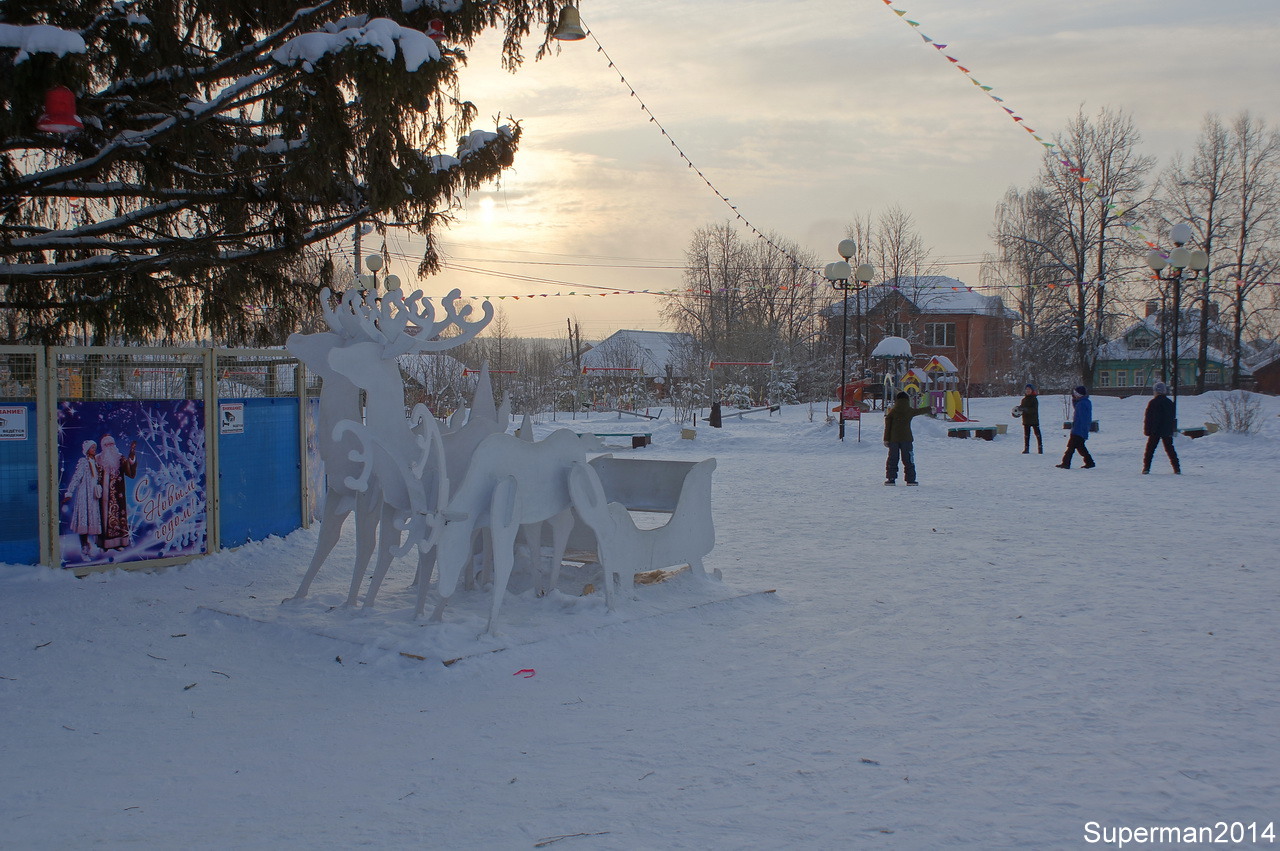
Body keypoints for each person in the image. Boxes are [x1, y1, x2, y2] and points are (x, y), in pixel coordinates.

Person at [62, 439, 103, 559]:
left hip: (94, 495)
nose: (94, 450)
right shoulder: (83, 462)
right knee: (83, 520)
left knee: (94, 519)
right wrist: (69, 492)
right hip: (85, 495)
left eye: (95, 448)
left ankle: (96, 545)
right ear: (86, 450)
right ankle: (84, 547)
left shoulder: (96, 462)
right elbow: (76, 477)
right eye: (92, 448)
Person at [98, 434, 139, 550]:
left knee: (118, 517)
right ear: (103, 446)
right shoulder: (98, 459)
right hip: (102, 495)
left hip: (117, 495)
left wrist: (132, 454)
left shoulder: (120, 458)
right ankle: (104, 543)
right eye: (107, 444)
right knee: (102, 517)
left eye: (112, 444)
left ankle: (118, 542)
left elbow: (130, 472)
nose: (110, 447)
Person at [883, 391, 932, 485]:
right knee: (908, 458)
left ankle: (891, 479)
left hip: (894, 439)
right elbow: (919, 411)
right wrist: (929, 408)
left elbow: (887, 426)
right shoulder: (909, 410)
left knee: (892, 459)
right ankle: (911, 480)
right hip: (907, 439)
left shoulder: (892, 412)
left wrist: (886, 439)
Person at [1142, 382, 1181, 475]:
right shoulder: (1169, 403)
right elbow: (1171, 417)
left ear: (1156, 391)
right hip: (1166, 430)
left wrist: (1147, 430)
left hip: (1154, 431)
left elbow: (1149, 418)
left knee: (1150, 450)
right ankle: (1177, 468)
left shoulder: (1153, 403)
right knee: (1170, 449)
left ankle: (1146, 468)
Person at [1056, 385, 1096, 470]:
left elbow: (1081, 418)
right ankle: (1090, 462)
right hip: (1081, 429)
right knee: (1080, 447)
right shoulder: (1084, 402)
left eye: (1075, 393)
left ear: (1079, 394)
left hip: (1079, 429)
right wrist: (1074, 400)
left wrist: (1077, 429)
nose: (1074, 395)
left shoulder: (1082, 403)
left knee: (1071, 447)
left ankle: (1066, 463)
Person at [1014, 383, 1042, 454]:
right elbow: (1021, 409)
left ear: (1032, 390)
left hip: (1034, 420)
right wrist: (1017, 412)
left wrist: (1025, 409)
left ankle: (1040, 448)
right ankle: (1026, 448)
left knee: (1037, 434)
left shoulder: (1034, 399)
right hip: (1026, 420)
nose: (1027, 391)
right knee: (1026, 435)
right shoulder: (1024, 400)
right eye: (1026, 389)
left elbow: (1034, 410)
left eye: (1029, 389)